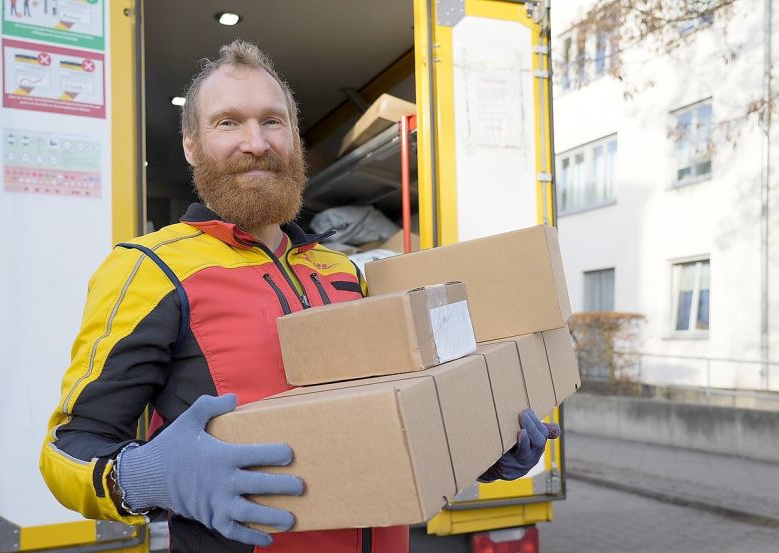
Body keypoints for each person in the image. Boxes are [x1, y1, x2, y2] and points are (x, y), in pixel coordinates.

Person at [39, 40, 560, 553]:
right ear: (191, 145)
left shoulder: (343, 272)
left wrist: (485, 446)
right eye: (228, 123)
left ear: (293, 138)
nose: (256, 142)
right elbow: (69, 450)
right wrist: (145, 476)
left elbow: (395, 415)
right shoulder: (149, 270)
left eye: (272, 121)